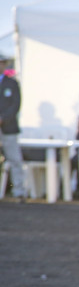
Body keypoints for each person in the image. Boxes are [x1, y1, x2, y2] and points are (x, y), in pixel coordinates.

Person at [0, 53, 25, 201]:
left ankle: (18, 191)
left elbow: (16, 105)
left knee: (15, 159)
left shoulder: (12, 84)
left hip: (8, 128)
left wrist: (3, 118)